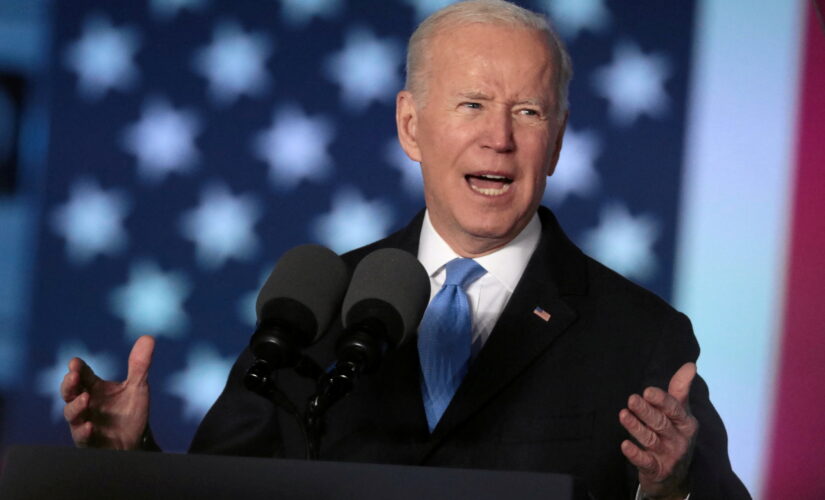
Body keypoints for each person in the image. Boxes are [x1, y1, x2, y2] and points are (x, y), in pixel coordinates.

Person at [60, 1, 750, 498]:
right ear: (411, 126)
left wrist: (675, 487)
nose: (499, 139)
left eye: (528, 112)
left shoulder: (638, 335)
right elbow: (218, 487)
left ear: (559, 139)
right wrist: (131, 460)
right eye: (471, 105)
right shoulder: (316, 303)